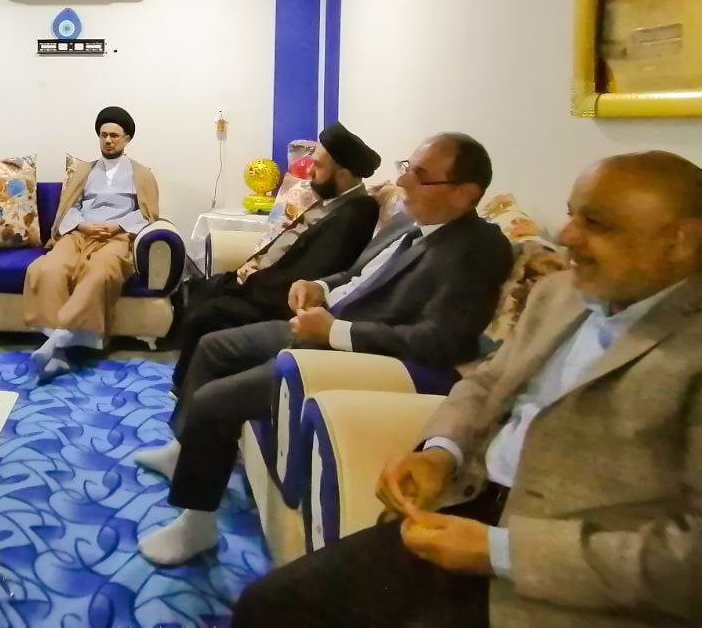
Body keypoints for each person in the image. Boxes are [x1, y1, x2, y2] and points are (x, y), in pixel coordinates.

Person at [234, 151, 702, 628]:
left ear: (681, 241)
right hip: (465, 506)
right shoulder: (561, 293)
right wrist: (441, 452)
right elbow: (488, 379)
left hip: (566, 584)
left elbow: (690, 562)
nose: (567, 236)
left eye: (597, 224)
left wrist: (499, 550)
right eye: (571, 214)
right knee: (268, 605)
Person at [136, 132, 513, 566]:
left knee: (216, 400)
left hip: (352, 355)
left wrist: (336, 332)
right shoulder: (408, 222)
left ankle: (197, 523)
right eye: (407, 168)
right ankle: (184, 448)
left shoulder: (477, 249)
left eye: (420, 176)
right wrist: (318, 286)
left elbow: (440, 340)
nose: (403, 183)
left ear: (465, 193)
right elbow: (357, 276)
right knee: (213, 346)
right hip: (322, 323)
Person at [172, 122, 382, 392]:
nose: (310, 172)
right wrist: (254, 262)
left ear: (342, 174)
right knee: (198, 290)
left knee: (205, 315)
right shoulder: (333, 197)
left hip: (278, 299)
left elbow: (311, 270)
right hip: (264, 281)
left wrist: (254, 278)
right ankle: (188, 382)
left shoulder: (355, 214)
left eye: (318, 166)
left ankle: (191, 390)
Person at [24, 106, 159, 382]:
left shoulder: (141, 174)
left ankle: (60, 338)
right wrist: (82, 225)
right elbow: (69, 207)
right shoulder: (84, 171)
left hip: (116, 236)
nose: (108, 140)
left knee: (100, 271)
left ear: (127, 139)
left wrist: (118, 226)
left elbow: (147, 214)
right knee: (48, 268)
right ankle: (59, 353)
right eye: (103, 135)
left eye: (114, 136)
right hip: (80, 232)